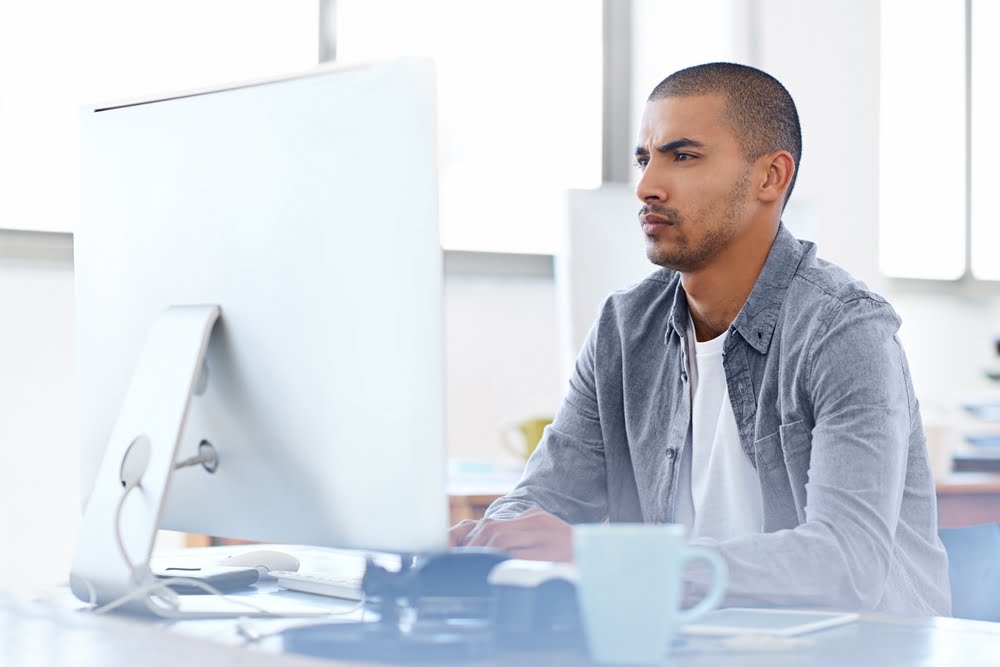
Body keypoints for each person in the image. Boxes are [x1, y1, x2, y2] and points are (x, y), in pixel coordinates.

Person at [448, 62, 950, 616]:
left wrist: (602, 556)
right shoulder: (623, 327)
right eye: (645, 158)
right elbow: (546, 499)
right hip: (688, 644)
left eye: (682, 156)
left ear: (770, 177)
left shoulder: (844, 330)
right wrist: (488, 541)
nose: (646, 186)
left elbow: (844, 564)